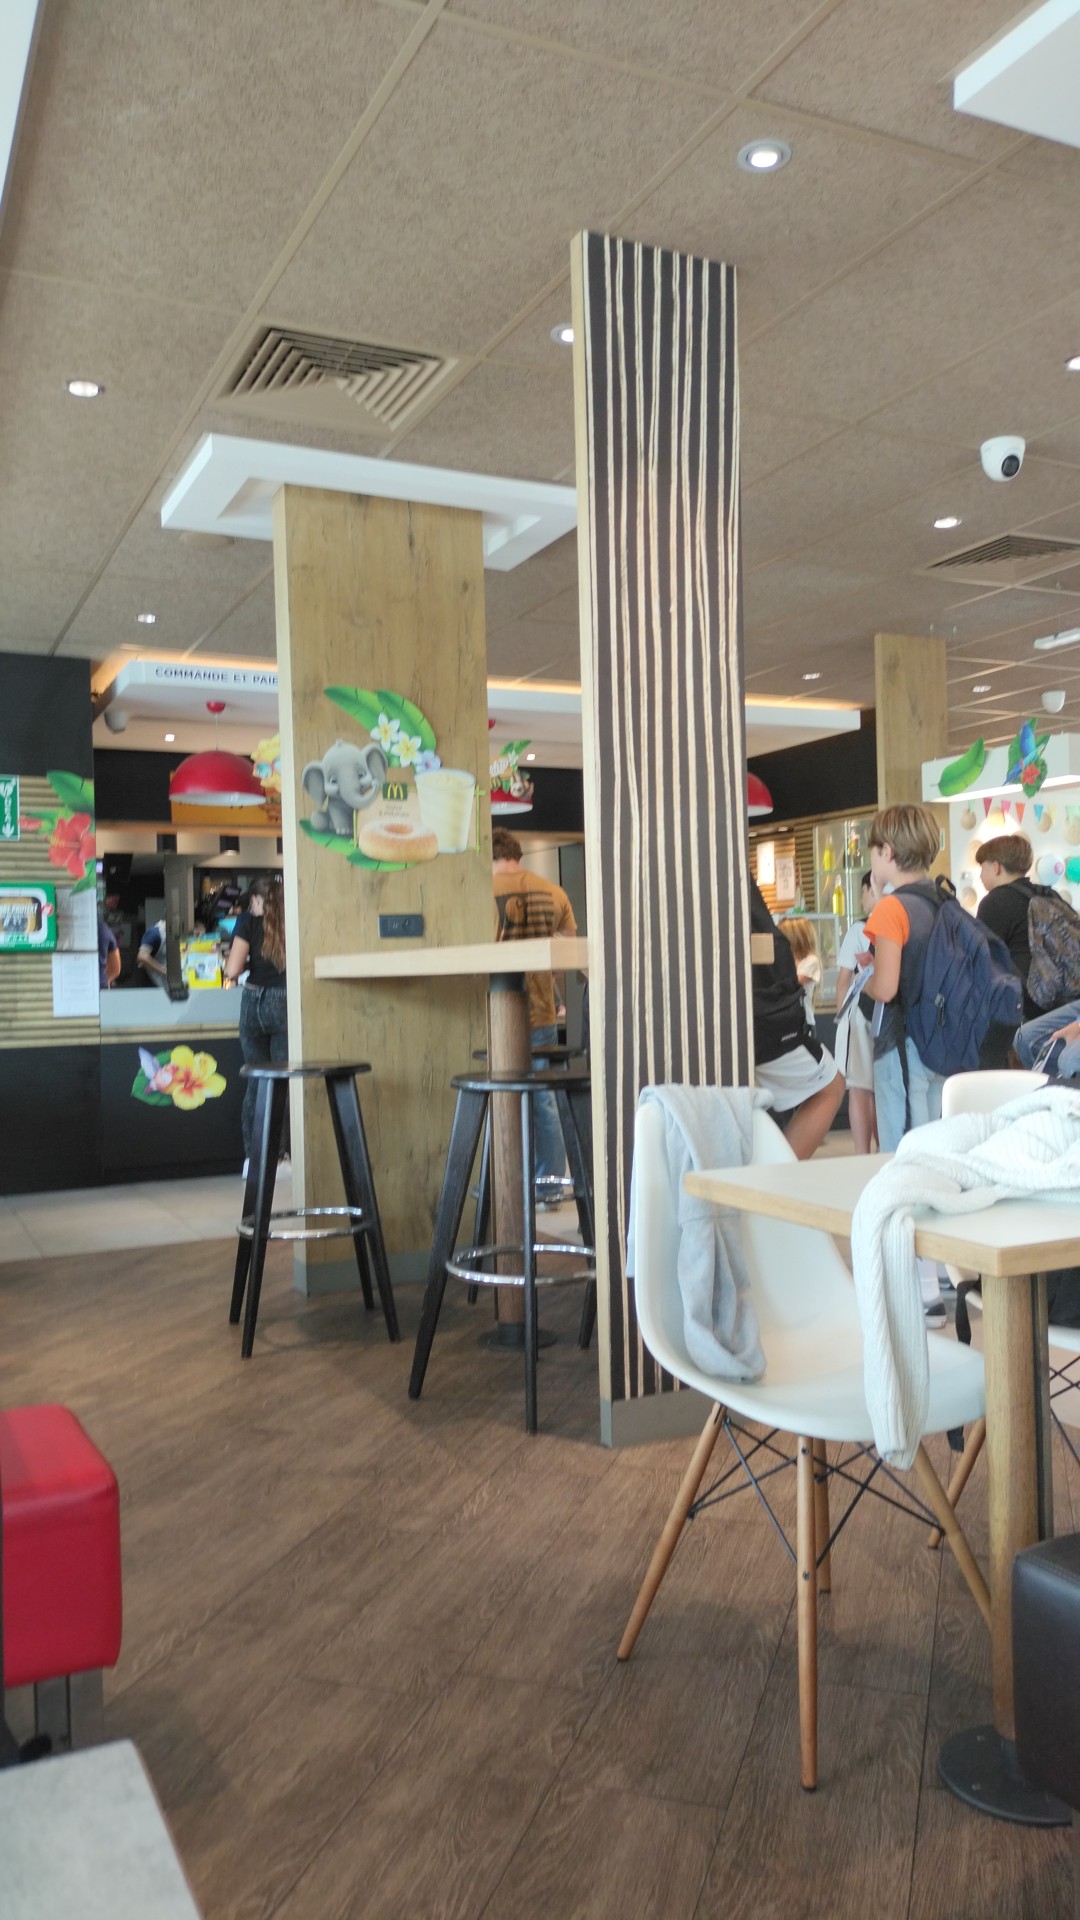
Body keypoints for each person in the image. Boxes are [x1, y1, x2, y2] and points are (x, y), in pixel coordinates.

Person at [860, 804, 955, 1326]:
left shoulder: (889, 910)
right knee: (934, 1157)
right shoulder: (944, 900)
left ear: (887, 852)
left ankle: (921, 1290)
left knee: (901, 1161)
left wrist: (866, 975)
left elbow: (887, 987)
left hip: (901, 1051)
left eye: (875, 851)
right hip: (942, 1051)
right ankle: (943, 1272)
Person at [492, 826, 576, 1205]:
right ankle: (551, 1186)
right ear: (518, 854)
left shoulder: (482, 891)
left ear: (492, 856)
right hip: (541, 1010)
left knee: (501, 1096)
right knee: (545, 1100)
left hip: (496, 1012)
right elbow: (567, 954)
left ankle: (503, 1185)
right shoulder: (554, 892)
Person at [750, 877, 844, 1160]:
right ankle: (781, 1172)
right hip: (773, 1022)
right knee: (831, 1086)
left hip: (772, 1020)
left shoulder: (810, 962)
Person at [225, 874, 288, 1172]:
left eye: (252, 901)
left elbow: (232, 970)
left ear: (256, 899)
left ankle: (253, 1160)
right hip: (285, 1002)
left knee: (257, 1081)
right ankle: (282, 1157)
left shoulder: (247, 922)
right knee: (284, 1081)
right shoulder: (292, 920)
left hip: (252, 1002)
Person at [833, 873, 878, 1155]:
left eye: (863, 892)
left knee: (859, 1091)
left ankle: (862, 1155)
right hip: (887, 1014)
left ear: (870, 890)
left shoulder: (858, 930)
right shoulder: (898, 922)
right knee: (881, 1090)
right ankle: (884, 1149)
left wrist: (841, 1018)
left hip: (859, 1015)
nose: (862, 899)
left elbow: (843, 981)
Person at [975, 833, 1040, 1017]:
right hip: (1061, 999)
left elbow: (982, 959)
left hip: (1023, 1003)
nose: (980, 875)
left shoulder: (995, 901)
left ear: (996, 867)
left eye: (982, 867)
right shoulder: (1046, 894)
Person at [778, 917, 821, 1027]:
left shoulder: (811, 961)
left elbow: (793, 984)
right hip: (782, 1020)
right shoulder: (784, 958)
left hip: (802, 1022)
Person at [137, 919, 168, 989]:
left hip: (169, 985)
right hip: (154, 984)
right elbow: (142, 957)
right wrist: (164, 971)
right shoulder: (155, 933)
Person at [97, 918, 121, 989]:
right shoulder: (102, 928)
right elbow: (115, 969)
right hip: (99, 986)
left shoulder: (102, 929)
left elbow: (115, 970)